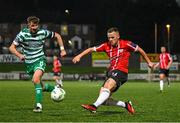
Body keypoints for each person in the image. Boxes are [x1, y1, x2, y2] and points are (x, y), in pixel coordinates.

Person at [72, 27, 154, 114]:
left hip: (121, 72)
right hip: (111, 72)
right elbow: (91, 49)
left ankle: (94, 106)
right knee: (103, 100)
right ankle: (125, 105)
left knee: (107, 86)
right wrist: (79, 56)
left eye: (112, 37)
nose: (110, 40)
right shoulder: (106, 46)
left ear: (118, 36)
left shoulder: (126, 44)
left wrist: (149, 62)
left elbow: (140, 50)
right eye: (109, 38)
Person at [9, 16, 66, 112]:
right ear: (28, 25)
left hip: (40, 59)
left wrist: (62, 49)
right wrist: (19, 55)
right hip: (29, 63)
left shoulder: (43, 32)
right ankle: (56, 89)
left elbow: (58, 36)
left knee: (35, 80)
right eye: (32, 26)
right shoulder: (22, 34)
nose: (34, 28)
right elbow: (11, 47)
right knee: (41, 87)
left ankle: (38, 106)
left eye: (35, 26)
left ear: (38, 25)